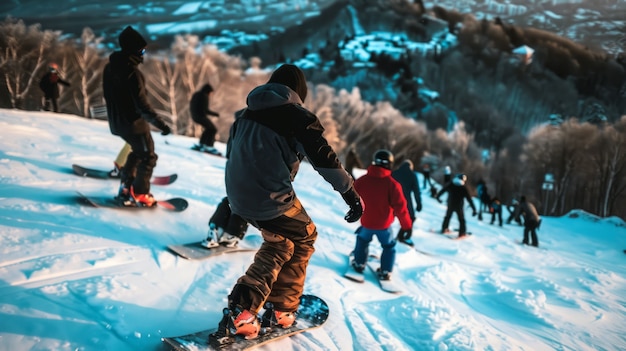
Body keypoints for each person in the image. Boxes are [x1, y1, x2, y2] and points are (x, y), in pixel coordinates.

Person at [211, 64, 362, 344]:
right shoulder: (297, 116)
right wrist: (350, 194)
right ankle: (281, 309)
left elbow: (232, 155)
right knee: (305, 236)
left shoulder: (246, 114)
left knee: (281, 243)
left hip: (238, 196)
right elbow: (324, 158)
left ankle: (244, 312)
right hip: (269, 198)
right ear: (298, 92)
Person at [102, 25, 171, 207]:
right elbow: (142, 105)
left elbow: (109, 96)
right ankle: (140, 193)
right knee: (148, 157)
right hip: (134, 124)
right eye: (141, 49)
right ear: (133, 49)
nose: (143, 53)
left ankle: (126, 188)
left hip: (118, 123)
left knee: (137, 153)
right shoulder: (133, 73)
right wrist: (160, 124)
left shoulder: (110, 68)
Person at [350, 150, 412, 279]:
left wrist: (354, 211)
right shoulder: (392, 185)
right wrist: (407, 226)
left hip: (366, 222)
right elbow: (401, 208)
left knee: (362, 240)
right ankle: (385, 271)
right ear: (389, 164)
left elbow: (352, 197)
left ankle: (359, 263)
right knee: (389, 246)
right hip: (384, 225)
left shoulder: (362, 181)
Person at [436, 173, 477, 238]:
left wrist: (438, 197)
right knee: (461, 220)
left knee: (447, 217)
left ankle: (444, 228)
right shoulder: (463, 188)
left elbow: (442, 190)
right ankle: (462, 232)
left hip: (450, 204)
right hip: (459, 206)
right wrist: (474, 209)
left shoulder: (451, 184)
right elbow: (469, 199)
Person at [391, 159, 422, 246]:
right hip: (405, 201)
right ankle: (404, 237)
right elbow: (416, 191)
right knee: (410, 218)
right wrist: (419, 204)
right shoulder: (412, 175)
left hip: (391, 200)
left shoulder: (394, 173)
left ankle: (387, 236)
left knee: (388, 217)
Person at [190, 83, 221, 155]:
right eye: (211, 92)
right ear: (208, 91)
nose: (211, 94)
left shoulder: (196, 94)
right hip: (200, 116)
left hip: (194, 116)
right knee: (213, 129)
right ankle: (209, 146)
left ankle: (202, 144)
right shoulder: (204, 96)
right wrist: (215, 114)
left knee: (208, 129)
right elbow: (205, 110)